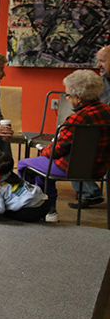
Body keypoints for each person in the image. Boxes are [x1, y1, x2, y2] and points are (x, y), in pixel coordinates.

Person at [17, 69, 110, 223]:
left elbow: (57, 150)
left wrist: (43, 150)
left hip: (71, 167)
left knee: (25, 164)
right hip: (99, 169)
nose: (67, 98)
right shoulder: (107, 111)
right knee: (42, 168)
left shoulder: (76, 120)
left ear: (79, 98)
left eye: (68, 95)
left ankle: (40, 206)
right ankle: (48, 209)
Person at [68, 45, 110, 209]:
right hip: (98, 130)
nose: (98, 65)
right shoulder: (100, 81)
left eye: (102, 61)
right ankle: (89, 194)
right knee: (76, 143)